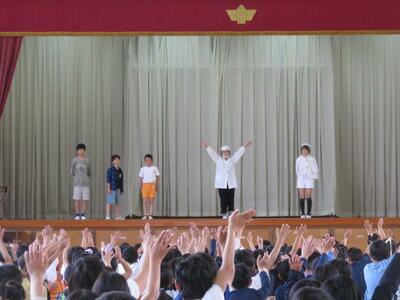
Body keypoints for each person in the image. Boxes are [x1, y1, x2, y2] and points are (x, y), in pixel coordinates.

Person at [202, 140, 253, 219]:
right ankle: (224, 213)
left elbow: (239, 153)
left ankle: (230, 213)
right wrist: (207, 147)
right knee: (223, 199)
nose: (225, 153)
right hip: (221, 184)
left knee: (231, 198)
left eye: (227, 152)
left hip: (231, 183)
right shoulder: (218, 159)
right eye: (224, 152)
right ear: (221, 153)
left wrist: (245, 146)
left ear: (229, 153)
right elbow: (212, 153)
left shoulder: (232, 160)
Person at [295, 143, 318, 218]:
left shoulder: (312, 159)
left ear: (308, 151)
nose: (304, 151)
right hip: (301, 178)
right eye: (303, 150)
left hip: (309, 178)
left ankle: (308, 213)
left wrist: (312, 176)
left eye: (306, 150)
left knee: (308, 196)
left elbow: (315, 169)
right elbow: (297, 170)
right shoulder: (298, 159)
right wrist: (301, 176)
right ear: (301, 151)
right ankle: (302, 214)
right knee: (301, 196)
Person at [70, 144, 91, 220]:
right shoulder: (74, 160)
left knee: (84, 199)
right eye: (79, 150)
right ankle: (77, 214)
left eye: (83, 150)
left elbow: (89, 172)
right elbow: (72, 172)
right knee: (77, 198)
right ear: (77, 151)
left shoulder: (88, 161)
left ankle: (82, 214)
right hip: (77, 183)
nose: (81, 151)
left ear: (85, 151)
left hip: (85, 183)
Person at [139, 154, 160, 220]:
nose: (148, 161)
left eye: (149, 160)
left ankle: (150, 214)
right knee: (145, 200)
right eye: (146, 160)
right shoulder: (142, 169)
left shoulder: (155, 168)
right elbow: (140, 178)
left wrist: (157, 186)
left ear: (152, 161)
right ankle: (145, 214)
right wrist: (141, 187)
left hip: (152, 185)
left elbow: (158, 177)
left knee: (151, 200)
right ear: (145, 161)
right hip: (145, 185)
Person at [106, 154, 124, 220]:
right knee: (110, 202)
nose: (117, 161)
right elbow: (108, 180)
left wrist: (122, 189)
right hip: (112, 188)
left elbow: (121, 180)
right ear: (112, 161)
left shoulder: (120, 170)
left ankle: (118, 216)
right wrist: (108, 188)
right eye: (116, 159)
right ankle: (107, 215)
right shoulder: (110, 170)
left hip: (118, 188)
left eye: (118, 159)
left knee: (117, 203)